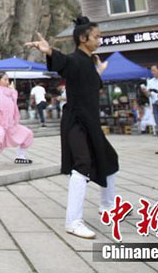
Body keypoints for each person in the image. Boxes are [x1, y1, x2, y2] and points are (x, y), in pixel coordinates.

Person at [25, 18, 118, 240]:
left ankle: (107, 207)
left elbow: (90, 84)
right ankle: (73, 221)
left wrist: (100, 71)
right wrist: (49, 52)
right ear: (83, 38)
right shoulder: (76, 59)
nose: (99, 40)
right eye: (96, 37)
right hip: (77, 121)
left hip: (90, 122)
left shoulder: (88, 61)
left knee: (110, 160)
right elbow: (64, 63)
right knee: (82, 165)